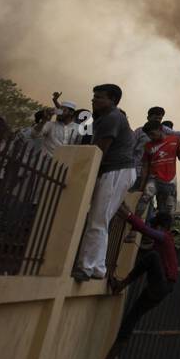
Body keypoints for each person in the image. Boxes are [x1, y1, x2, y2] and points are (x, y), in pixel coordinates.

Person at [94, 205, 177, 359]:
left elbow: (144, 229)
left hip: (161, 285)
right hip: (159, 290)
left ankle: (120, 285)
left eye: (155, 226)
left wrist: (127, 214)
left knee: (151, 257)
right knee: (129, 321)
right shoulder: (162, 245)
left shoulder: (165, 238)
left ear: (161, 227)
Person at [72, 84, 134, 282]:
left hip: (115, 171)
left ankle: (87, 268)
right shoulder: (105, 118)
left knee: (98, 219)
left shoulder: (112, 119)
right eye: (94, 97)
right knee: (100, 219)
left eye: (99, 97)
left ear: (113, 100)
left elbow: (99, 151)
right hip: (116, 171)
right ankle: (98, 267)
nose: (94, 100)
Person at [133, 122, 180, 221]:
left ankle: (163, 233)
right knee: (144, 199)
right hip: (154, 179)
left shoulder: (175, 140)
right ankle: (134, 228)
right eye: (148, 135)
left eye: (152, 134)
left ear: (160, 129)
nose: (151, 137)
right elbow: (145, 167)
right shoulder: (148, 146)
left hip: (170, 182)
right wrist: (142, 186)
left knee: (168, 211)